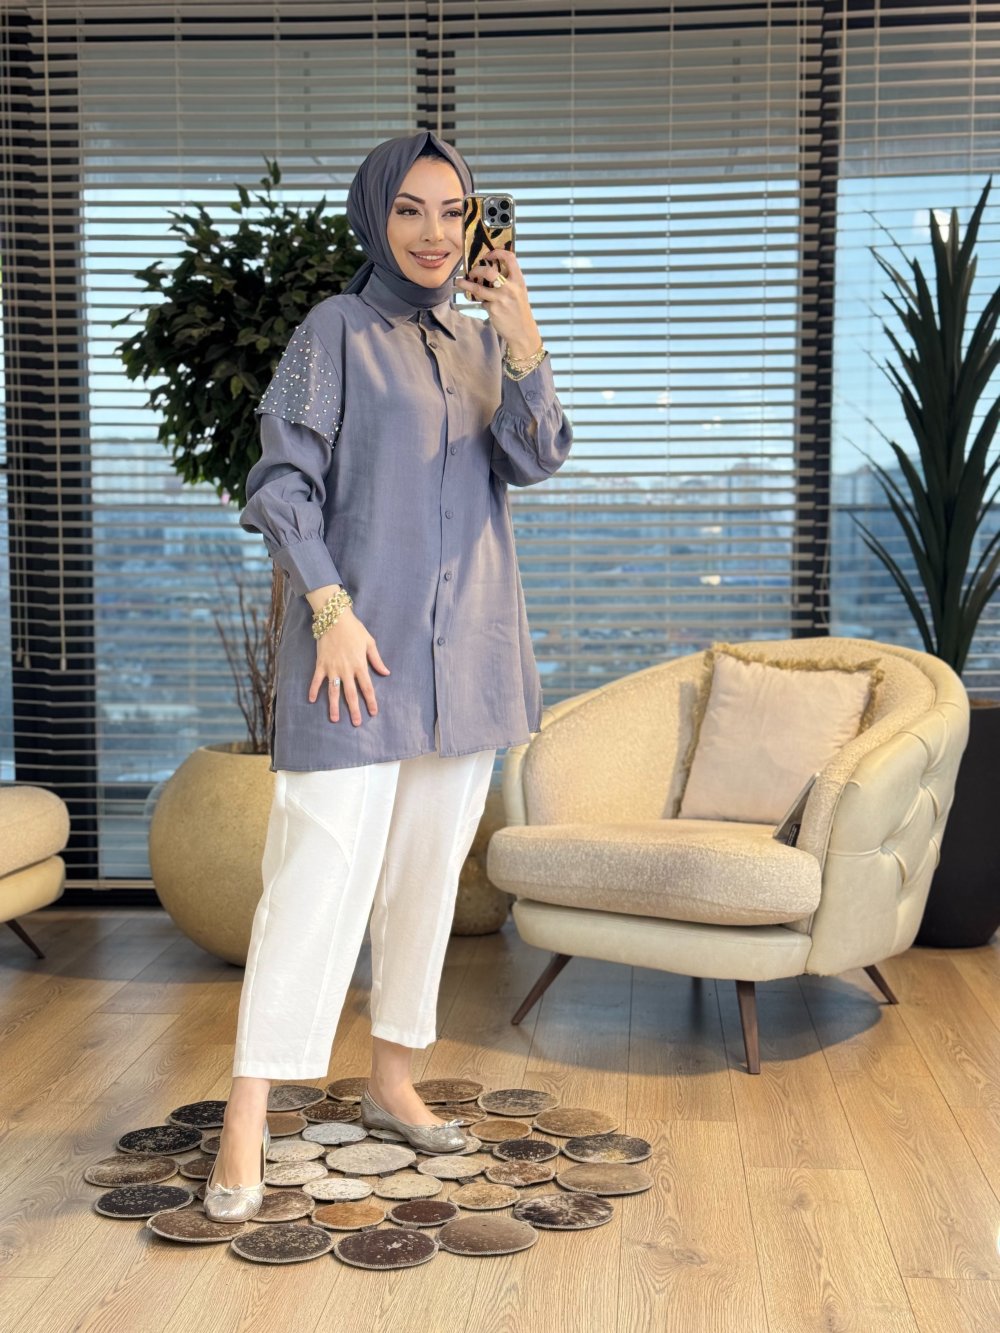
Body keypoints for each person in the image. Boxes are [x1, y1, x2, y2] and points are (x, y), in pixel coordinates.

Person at [204, 129, 573, 1221]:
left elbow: (536, 455)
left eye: (452, 211)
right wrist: (328, 610)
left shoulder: (479, 344)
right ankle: (245, 1111)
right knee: (314, 880)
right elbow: (282, 484)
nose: (433, 232)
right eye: (410, 209)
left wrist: (520, 336)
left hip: (469, 657)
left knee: (424, 882)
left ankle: (394, 1078)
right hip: (356, 660)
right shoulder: (335, 331)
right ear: (376, 214)